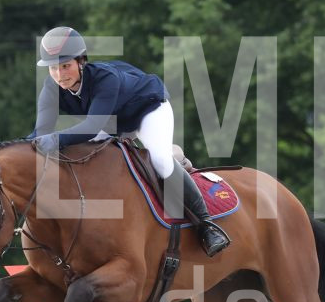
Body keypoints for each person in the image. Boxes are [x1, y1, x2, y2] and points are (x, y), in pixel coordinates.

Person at [28, 27, 230, 257]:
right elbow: (39, 133)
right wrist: (17, 148)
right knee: (79, 156)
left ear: (81, 61)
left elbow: (90, 127)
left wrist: (53, 139)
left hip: (148, 110)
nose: (59, 75)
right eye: (53, 68)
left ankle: (206, 226)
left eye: (65, 66)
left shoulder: (105, 79)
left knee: (160, 160)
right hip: (112, 123)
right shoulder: (51, 87)